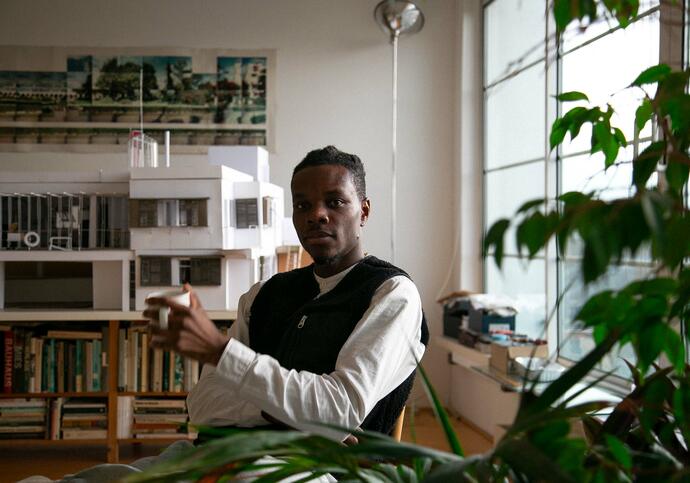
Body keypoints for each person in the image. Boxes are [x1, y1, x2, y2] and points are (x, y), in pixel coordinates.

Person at [146, 145, 429, 443]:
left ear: (364, 212)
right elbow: (202, 405)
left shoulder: (392, 294)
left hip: (307, 470)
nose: (317, 214)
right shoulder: (262, 295)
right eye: (302, 205)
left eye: (334, 202)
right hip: (216, 457)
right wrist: (290, 414)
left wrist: (222, 352)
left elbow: (336, 412)